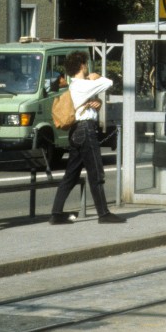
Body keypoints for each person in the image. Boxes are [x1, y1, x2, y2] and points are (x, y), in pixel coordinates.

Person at [50, 52, 124, 224]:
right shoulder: (83, 84)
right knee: (96, 172)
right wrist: (95, 76)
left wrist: (96, 104)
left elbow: (87, 106)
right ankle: (103, 214)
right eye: (86, 64)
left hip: (76, 132)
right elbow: (108, 82)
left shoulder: (75, 86)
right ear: (82, 66)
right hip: (86, 130)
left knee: (71, 174)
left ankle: (56, 213)